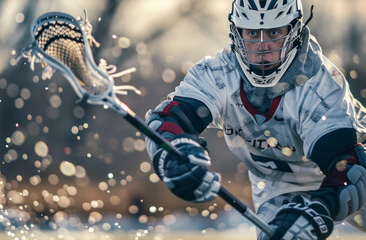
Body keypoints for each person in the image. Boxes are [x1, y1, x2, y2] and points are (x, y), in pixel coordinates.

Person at [144, 0, 366, 239]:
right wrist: (175, 154)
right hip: (279, 187)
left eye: (273, 32)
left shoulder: (321, 86)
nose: (262, 46)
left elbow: (347, 165)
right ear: (236, 32)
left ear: (295, 31)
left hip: (351, 176)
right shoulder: (216, 74)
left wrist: (319, 211)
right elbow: (166, 121)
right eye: (252, 33)